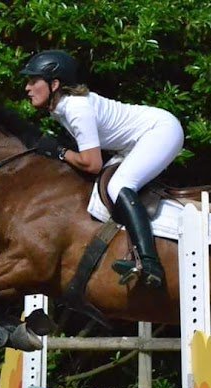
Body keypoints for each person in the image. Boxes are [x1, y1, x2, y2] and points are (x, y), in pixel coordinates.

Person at [21, 50, 184, 289]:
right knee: (104, 189)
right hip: (137, 140)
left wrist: (60, 152)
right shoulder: (62, 109)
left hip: (161, 131)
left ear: (54, 84)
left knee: (119, 186)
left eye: (33, 80)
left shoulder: (76, 109)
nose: (27, 87)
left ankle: (150, 264)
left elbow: (91, 163)